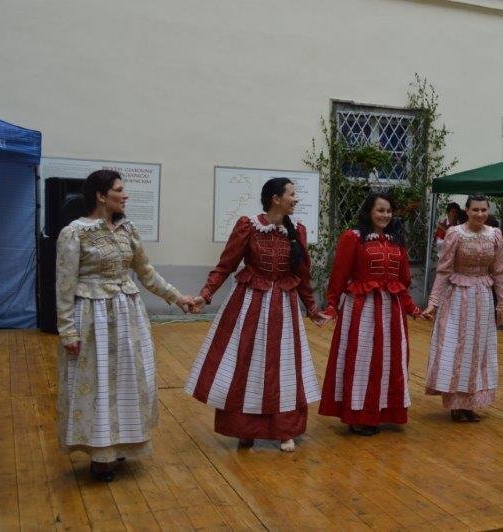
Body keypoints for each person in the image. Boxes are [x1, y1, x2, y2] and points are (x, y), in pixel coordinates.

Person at [56, 170, 196, 482]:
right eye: (119, 190)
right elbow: (64, 285)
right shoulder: (74, 233)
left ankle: (120, 443)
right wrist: (67, 330)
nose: (125, 195)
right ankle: (100, 453)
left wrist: (177, 297)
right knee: (97, 383)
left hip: (127, 315)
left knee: (126, 381)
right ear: (100, 196)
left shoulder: (127, 229)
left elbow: (146, 273)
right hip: (92, 317)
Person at [184, 178, 323, 452]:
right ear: (276, 199)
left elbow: (302, 274)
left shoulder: (297, 231)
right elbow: (225, 265)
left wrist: (312, 308)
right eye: (291, 194)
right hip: (250, 304)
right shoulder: (248, 226)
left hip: (284, 307)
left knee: (284, 367)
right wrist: (205, 294)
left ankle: (284, 430)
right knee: (247, 365)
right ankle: (244, 429)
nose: (296, 199)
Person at [317, 192, 421, 436]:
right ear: (369, 212)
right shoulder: (353, 238)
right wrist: (332, 306)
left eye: (389, 211)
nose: (385, 215)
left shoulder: (396, 241)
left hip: (391, 311)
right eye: (380, 210)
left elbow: (402, 280)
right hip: (362, 309)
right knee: (362, 360)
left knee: (390, 361)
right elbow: (339, 275)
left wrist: (413, 309)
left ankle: (383, 412)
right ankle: (359, 416)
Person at [422, 195, 503, 422]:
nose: (480, 214)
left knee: (478, 349)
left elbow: (500, 270)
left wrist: (502, 302)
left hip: (483, 297)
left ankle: (471, 402)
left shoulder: (495, 234)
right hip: (458, 296)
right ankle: (456, 404)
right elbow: (444, 269)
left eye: (484, 210)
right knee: (457, 347)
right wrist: (433, 302)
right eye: (475, 210)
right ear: (467, 211)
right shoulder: (456, 233)